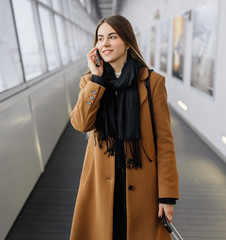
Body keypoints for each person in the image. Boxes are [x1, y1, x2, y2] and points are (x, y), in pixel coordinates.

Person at [69, 15, 179, 240]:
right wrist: (97, 79)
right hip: (101, 182)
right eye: (100, 38)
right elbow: (81, 124)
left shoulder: (152, 82)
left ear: (127, 41)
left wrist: (167, 196)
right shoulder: (90, 81)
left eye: (112, 37)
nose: (105, 44)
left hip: (141, 182)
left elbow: (164, 142)